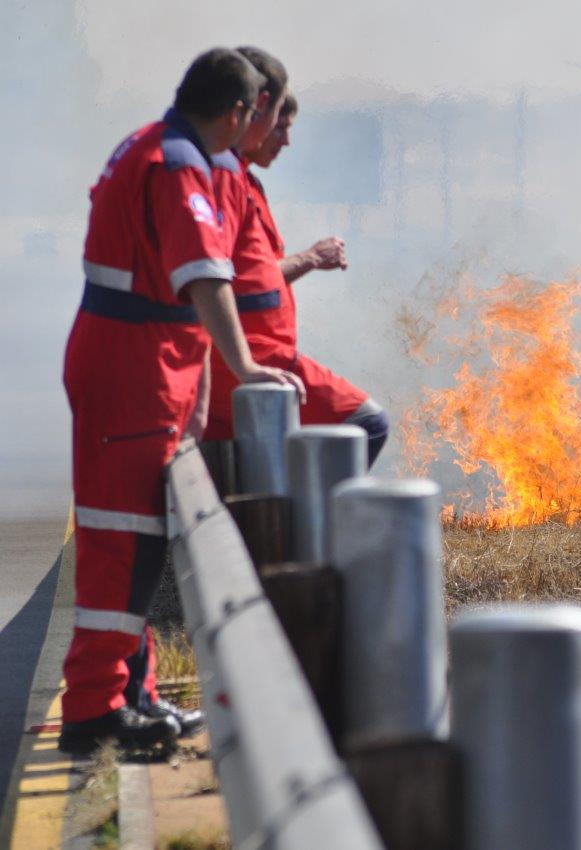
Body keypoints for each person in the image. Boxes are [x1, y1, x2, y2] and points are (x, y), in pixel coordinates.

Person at [60, 49, 306, 755]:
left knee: (137, 544)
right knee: (123, 546)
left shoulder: (152, 145)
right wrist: (246, 367)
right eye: (253, 116)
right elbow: (203, 279)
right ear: (235, 112)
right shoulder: (179, 165)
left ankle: (126, 693)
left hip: (143, 367)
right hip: (130, 372)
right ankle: (94, 710)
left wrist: (198, 386)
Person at [203, 58, 389, 463]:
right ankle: (312, 524)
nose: (283, 140)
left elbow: (253, 275)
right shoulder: (225, 179)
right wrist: (310, 258)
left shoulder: (243, 181)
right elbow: (226, 278)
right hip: (252, 357)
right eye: (279, 126)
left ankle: (271, 523)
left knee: (242, 472)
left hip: (247, 357)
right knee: (369, 425)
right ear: (254, 113)